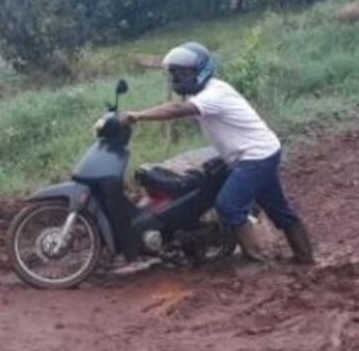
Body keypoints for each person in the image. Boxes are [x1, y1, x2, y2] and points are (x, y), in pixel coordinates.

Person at [119, 42, 315, 264]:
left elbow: (176, 109)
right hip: (257, 153)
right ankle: (305, 258)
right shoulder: (205, 92)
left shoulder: (215, 93)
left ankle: (259, 261)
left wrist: (136, 116)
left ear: (201, 71)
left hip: (256, 156)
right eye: (174, 73)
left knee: (228, 205)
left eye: (183, 72)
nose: (177, 78)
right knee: (278, 209)